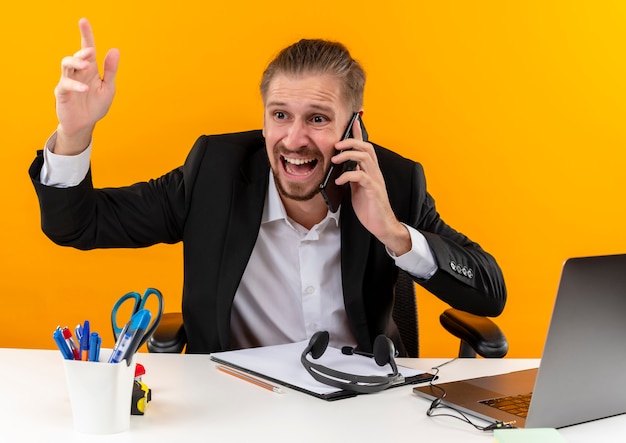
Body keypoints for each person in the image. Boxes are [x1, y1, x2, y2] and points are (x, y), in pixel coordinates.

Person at [29, 18, 506, 355]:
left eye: (318, 119)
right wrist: (75, 132)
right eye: (280, 115)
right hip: (237, 404)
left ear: (354, 127)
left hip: (359, 406)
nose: (294, 140)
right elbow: (76, 226)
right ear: (264, 119)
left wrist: (395, 234)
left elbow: (490, 292)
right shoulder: (214, 172)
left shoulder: (394, 182)